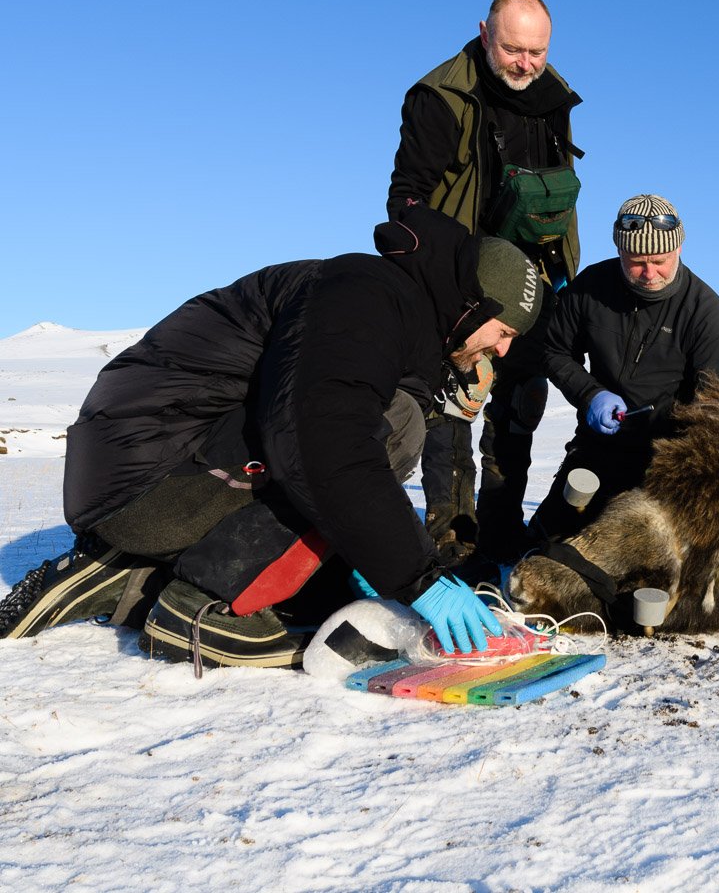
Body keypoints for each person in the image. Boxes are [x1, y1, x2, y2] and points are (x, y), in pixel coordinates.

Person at [0, 205, 541, 666]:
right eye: (504, 332)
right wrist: (416, 577)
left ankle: (125, 573)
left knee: (378, 447)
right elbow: (322, 444)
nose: (502, 350)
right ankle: (202, 608)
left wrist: (360, 560)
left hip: (147, 470)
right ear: (474, 304)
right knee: (395, 423)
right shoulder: (365, 296)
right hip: (149, 478)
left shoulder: (390, 310)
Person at [387, 0, 585, 567]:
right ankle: (452, 539)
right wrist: (446, 274)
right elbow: (406, 199)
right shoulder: (441, 97)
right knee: (450, 409)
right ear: (483, 31)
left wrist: (563, 272)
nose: (525, 63)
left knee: (519, 409)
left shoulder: (553, 96)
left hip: (535, 281)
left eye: (537, 52)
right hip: (464, 284)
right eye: (513, 49)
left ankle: (500, 529)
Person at [523, 194, 719, 547]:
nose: (649, 273)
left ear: (679, 247)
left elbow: (718, 413)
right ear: (619, 251)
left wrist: (680, 467)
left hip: (662, 465)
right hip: (597, 448)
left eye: (660, 260)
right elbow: (555, 350)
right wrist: (590, 394)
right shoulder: (592, 288)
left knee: (624, 561)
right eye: (637, 261)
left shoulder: (705, 313)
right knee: (547, 544)